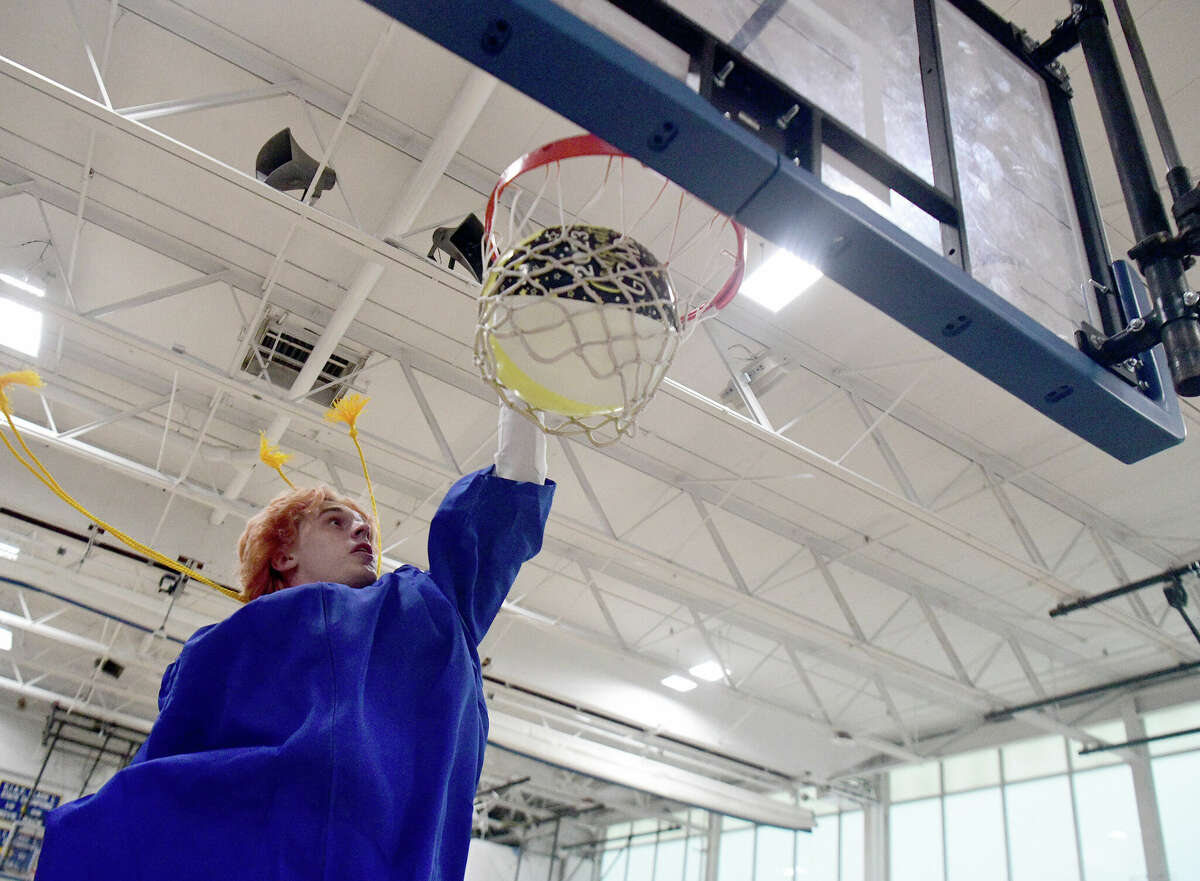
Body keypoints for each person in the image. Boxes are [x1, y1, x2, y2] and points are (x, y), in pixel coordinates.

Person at [36, 405, 555, 881]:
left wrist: (525, 388)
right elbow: (167, 765)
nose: (362, 533)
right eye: (336, 521)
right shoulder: (221, 647)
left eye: (366, 527)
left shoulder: (425, 613)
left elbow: (507, 498)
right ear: (281, 554)